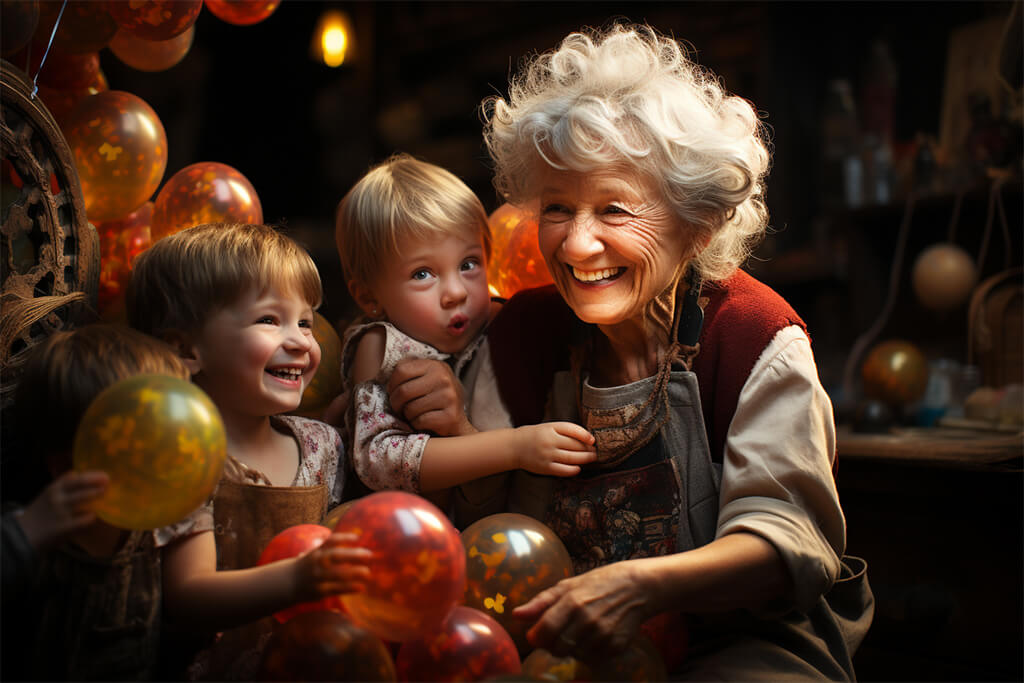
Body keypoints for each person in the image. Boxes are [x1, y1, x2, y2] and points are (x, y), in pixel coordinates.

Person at [387, 24, 873, 680]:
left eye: (615, 209)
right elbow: (487, 534)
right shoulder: (521, 334)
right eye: (557, 207)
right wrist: (455, 431)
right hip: (557, 650)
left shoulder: (756, 336)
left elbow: (790, 545)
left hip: (735, 643)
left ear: (698, 224)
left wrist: (640, 586)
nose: (577, 245)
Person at [126, 223, 370, 680]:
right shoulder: (182, 457)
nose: (300, 341)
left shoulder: (322, 445)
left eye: (305, 322)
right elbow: (188, 595)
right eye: (268, 320)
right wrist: (298, 580)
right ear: (185, 349)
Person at [334, 153, 595, 517]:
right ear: (369, 297)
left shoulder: (498, 320)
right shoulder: (381, 346)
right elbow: (378, 461)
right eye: (423, 274)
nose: (456, 292)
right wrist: (516, 448)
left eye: (468, 265)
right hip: (409, 534)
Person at [1, 322, 189, 681]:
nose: (178, 448)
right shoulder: (34, 537)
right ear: (67, 463)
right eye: (148, 435)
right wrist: (26, 533)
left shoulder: (154, 528)